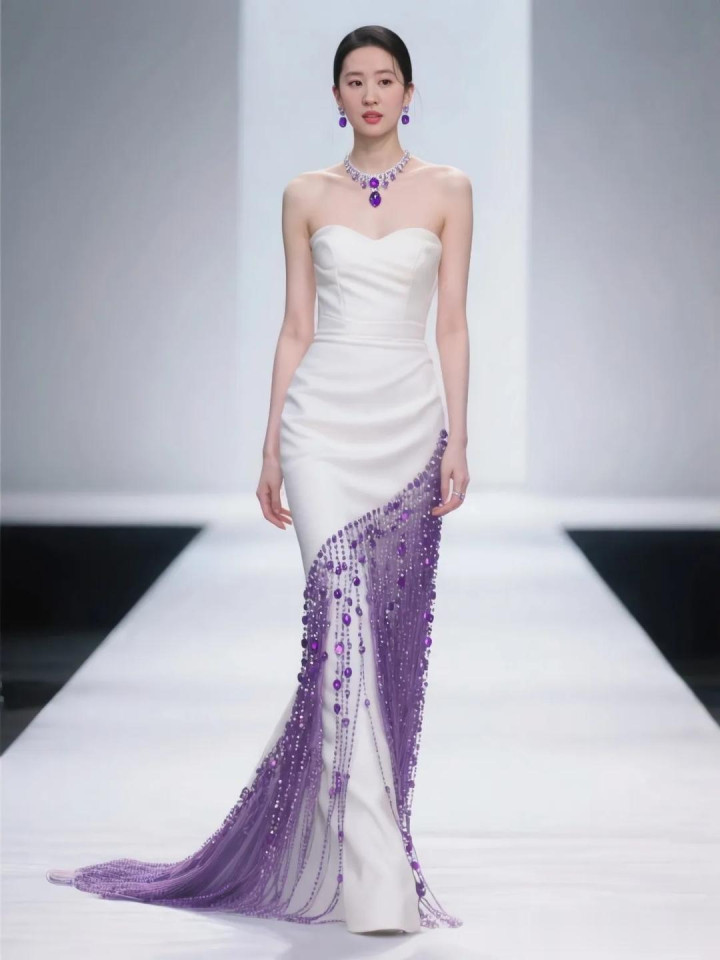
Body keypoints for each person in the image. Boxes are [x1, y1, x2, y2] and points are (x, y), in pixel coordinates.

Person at [47, 24, 471, 936]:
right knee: (342, 630)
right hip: (321, 427)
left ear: (409, 92)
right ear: (336, 95)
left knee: (378, 641)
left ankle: (354, 846)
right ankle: (377, 881)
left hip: (406, 426)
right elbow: (294, 325)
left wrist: (460, 438)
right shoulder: (303, 194)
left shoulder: (449, 190)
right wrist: (273, 445)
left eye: (385, 79)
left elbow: (452, 325)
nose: (370, 94)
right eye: (354, 80)